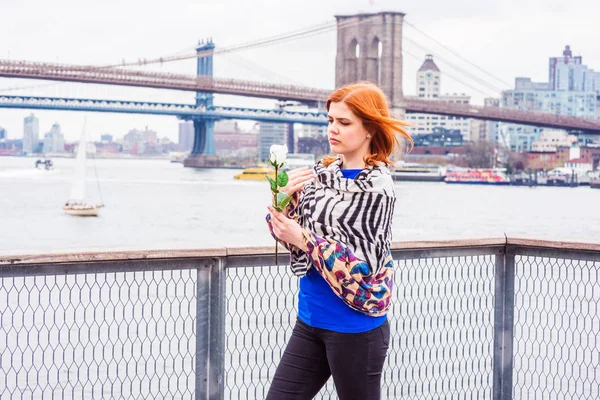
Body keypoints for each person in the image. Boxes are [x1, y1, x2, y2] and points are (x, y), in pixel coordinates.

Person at [265, 82, 412, 399]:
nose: (333, 129)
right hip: (310, 319)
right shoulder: (320, 175)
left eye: (344, 123)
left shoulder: (378, 190)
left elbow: (361, 269)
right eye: (331, 120)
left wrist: (302, 238)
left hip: (354, 327)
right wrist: (281, 199)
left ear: (370, 128)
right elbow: (285, 231)